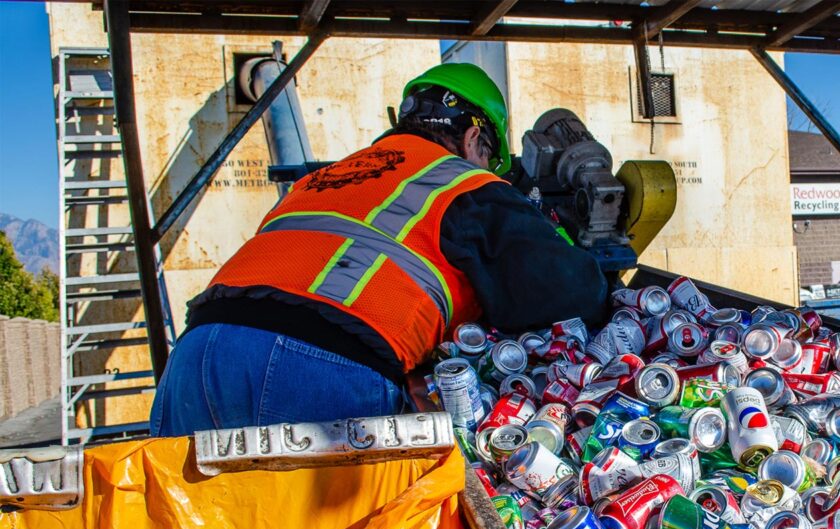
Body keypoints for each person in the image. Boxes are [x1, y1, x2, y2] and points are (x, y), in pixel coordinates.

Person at [150, 63, 608, 436]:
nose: (488, 171)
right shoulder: (465, 184)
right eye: (490, 160)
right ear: (474, 141)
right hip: (316, 368)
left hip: (196, 355)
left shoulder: (324, 178)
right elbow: (573, 293)